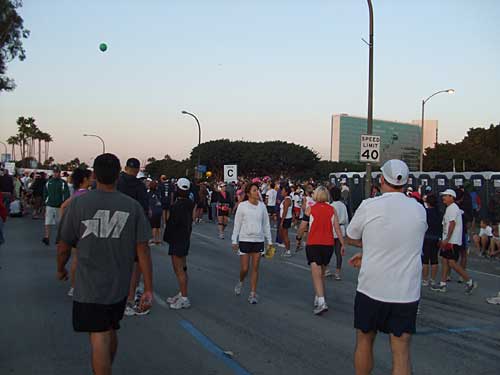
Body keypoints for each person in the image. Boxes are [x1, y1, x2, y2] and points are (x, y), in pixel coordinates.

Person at [56, 153, 153, 375]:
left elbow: (63, 245)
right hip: (119, 286)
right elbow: (143, 250)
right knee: (110, 328)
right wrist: (148, 288)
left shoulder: (79, 204)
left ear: (94, 175)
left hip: (89, 286)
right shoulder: (132, 207)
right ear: (117, 175)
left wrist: (60, 269)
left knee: (98, 335)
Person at [346, 159, 427, 375]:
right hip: (406, 293)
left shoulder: (370, 205)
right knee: (401, 352)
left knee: (364, 340)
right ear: (406, 182)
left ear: (382, 179)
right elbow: (408, 241)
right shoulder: (419, 210)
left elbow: (351, 236)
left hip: (372, 288)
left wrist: (370, 249)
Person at [117, 158, 150, 317]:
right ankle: (129, 299)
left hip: (114, 227)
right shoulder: (139, 186)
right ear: (137, 170)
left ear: (125, 167)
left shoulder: (117, 182)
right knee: (136, 265)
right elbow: (144, 210)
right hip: (134, 229)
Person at [305, 186, 345, 315]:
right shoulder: (332, 209)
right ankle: (318, 296)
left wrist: (299, 237)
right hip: (328, 244)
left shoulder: (310, 209)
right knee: (321, 272)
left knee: (316, 273)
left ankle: (322, 301)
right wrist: (342, 243)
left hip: (314, 243)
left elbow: (303, 225)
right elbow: (337, 228)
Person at [231, 183, 272, 304]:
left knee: (255, 268)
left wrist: (269, 241)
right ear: (248, 193)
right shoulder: (242, 206)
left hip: (258, 240)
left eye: (257, 190)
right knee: (245, 268)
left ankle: (253, 293)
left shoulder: (262, 207)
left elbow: (266, 224)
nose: (257, 192)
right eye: (254, 190)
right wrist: (234, 240)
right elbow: (237, 224)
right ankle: (241, 281)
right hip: (245, 240)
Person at [431, 189, 477, 294]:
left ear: (452, 197)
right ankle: (443, 284)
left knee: (451, 262)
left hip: (452, 241)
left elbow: (452, 224)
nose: (443, 198)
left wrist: (447, 239)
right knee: (445, 261)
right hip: (450, 240)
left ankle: (469, 281)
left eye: (446, 196)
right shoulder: (451, 208)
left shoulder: (452, 208)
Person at [164, 178, 196, 309]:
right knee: (183, 267)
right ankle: (182, 293)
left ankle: (184, 298)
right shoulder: (190, 203)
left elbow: (171, 223)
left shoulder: (177, 206)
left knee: (179, 269)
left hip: (177, 239)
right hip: (184, 238)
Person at [60, 168, 92, 297]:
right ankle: (74, 286)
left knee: (77, 259)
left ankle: (75, 286)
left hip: (79, 230)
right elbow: (63, 206)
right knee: (78, 259)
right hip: (82, 231)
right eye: (91, 177)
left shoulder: (78, 193)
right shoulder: (82, 195)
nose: (93, 179)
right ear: (84, 179)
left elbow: (63, 207)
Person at [42, 166, 70, 246]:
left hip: (59, 206)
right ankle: (47, 237)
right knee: (48, 221)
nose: (56, 173)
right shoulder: (48, 182)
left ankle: (60, 237)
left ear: (59, 173)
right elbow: (45, 192)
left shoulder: (63, 183)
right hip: (50, 205)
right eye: (54, 172)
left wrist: (64, 204)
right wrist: (46, 201)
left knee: (60, 222)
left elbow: (66, 194)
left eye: (57, 172)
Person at [327, 186, 349, 280]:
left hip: (332, 229)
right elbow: (347, 219)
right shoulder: (343, 205)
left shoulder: (331, 206)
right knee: (338, 252)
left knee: (328, 251)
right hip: (342, 228)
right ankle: (337, 272)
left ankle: (326, 269)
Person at [421, 194, 442, 287]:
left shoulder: (425, 212)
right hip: (436, 237)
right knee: (434, 259)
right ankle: (432, 279)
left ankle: (425, 279)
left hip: (426, 237)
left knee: (425, 260)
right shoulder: (439, 213)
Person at [279, 185, 293, 257]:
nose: (281, 192)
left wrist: (282, 221)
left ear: (286, 192)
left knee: (285, 235)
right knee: (283, 234)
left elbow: (285, 211)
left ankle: (288, 251)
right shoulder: (286, 199)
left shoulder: (287, 199)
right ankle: (287, 249)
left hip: (286, 219)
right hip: (285, 218)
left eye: (283, 190)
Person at [147, 180, 163, 245]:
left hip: (153, 210)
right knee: (158, 226)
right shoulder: (158, 193)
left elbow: (148, 202)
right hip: (159, 209)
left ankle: (152, 239)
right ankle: (158, 239)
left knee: (153, 226)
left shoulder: (149, 193)